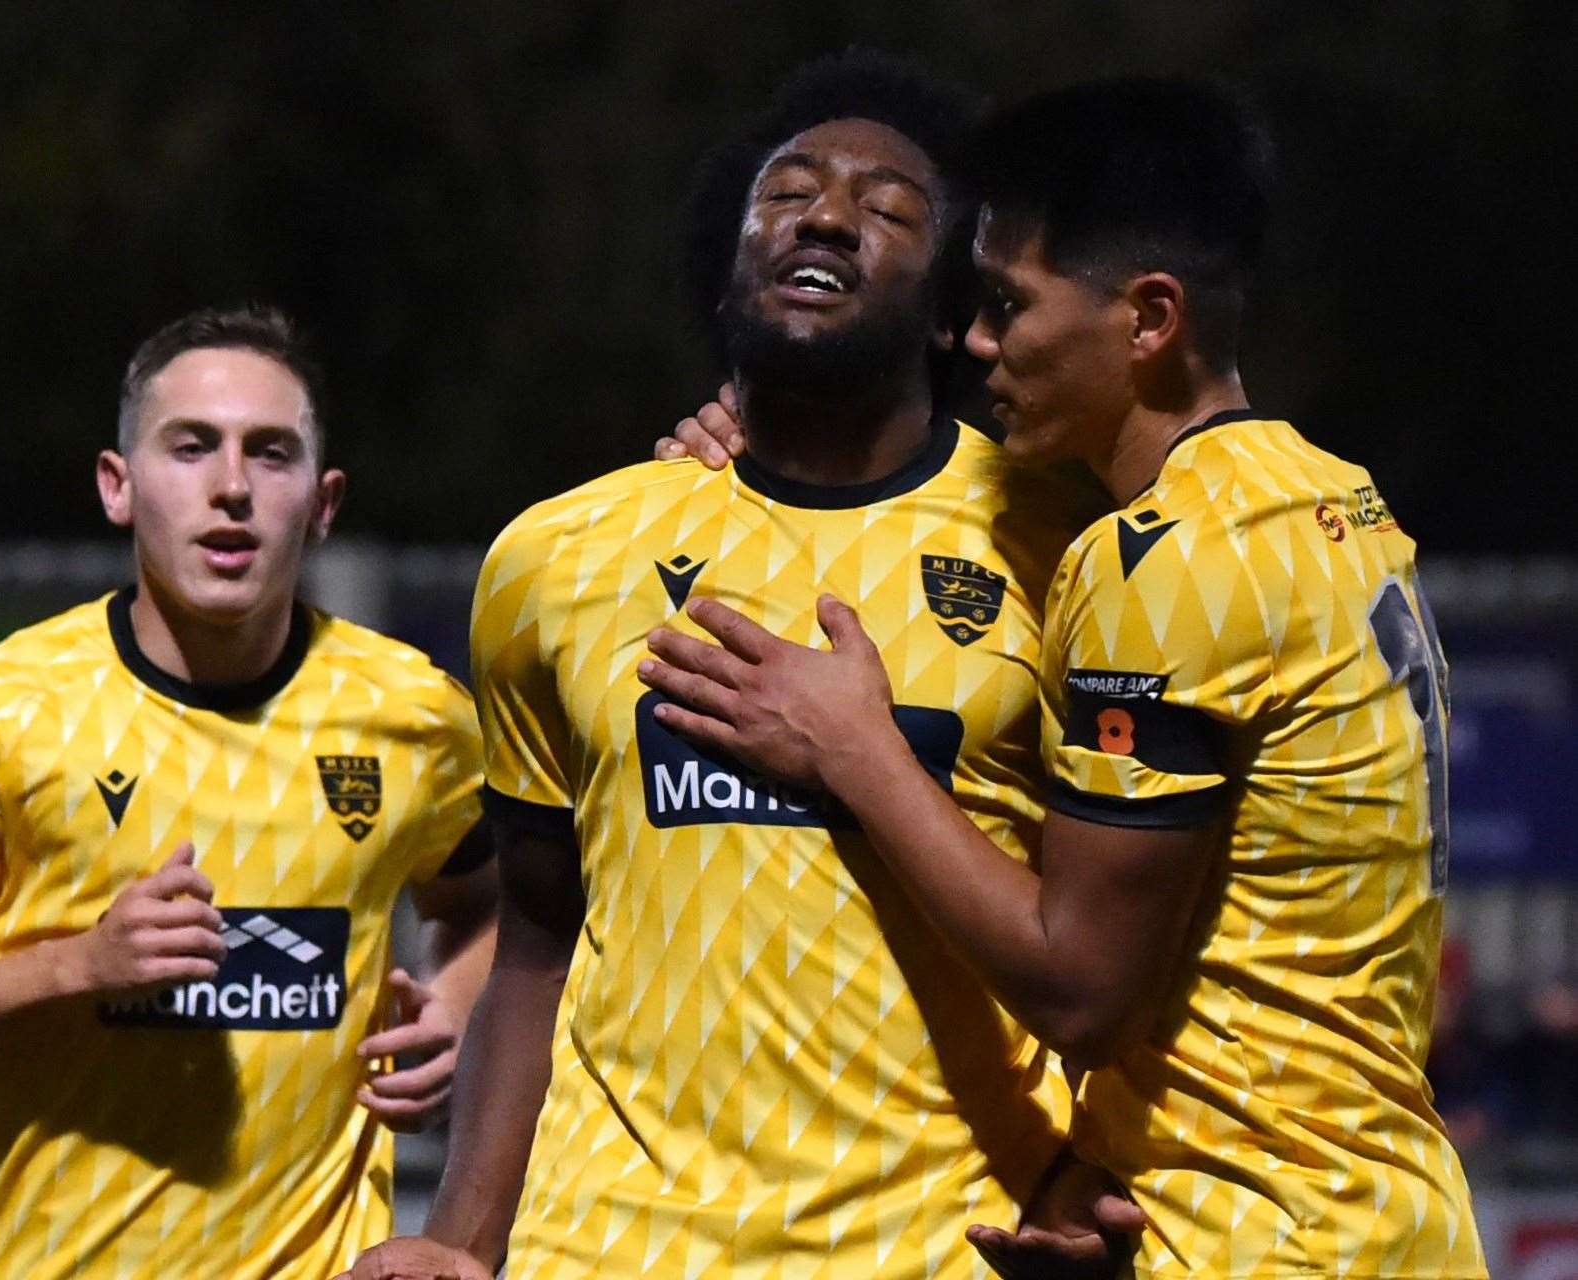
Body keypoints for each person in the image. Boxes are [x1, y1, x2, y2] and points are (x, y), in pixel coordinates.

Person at [641, 77, 1487, 1278]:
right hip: (1384, 1202)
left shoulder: (1157, 561)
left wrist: (858, 750)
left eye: (1008, 306)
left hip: (1257, 1233)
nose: (978, 343)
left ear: (1148, 319)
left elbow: (1083, 988)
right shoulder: (1332, 502)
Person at [344, 51, 1140, 1280]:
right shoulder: (557, 557)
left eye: (887, 209)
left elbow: (1120, 941)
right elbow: (538, 943)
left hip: (932, 1247)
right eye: (789, 192)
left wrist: (1099, 1173)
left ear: (951, 307)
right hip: (608, 1248)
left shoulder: (1069, 549)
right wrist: (463, 1236)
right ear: (731, 260)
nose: (826, 214)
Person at [0, 306, 499, 1278]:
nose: (232, 487)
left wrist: (452, 1000)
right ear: (119, 485)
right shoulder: (5, 713)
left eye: (271, 453)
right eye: (192, 447)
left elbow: (487, 905)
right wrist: (80, 963)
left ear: (323, 501)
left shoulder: (413, 713)